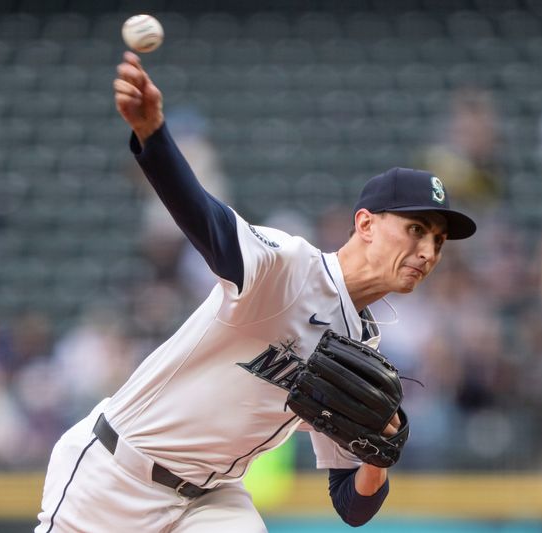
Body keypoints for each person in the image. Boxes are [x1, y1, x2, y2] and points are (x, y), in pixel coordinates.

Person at [35, 52, 477, 532]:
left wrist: (378, 454)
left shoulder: (360, 352)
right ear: (365, 224)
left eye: (438, 239)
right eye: (416, 229)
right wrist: (154, 137)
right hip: (117, 473)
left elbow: (352, 506)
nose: (429, 250)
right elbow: (207, 223)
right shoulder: (288, 267)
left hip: (212, 500)